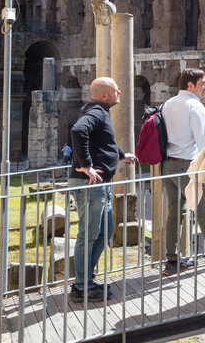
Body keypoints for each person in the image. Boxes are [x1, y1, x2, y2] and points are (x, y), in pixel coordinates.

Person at [69, 77, 136, 302]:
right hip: (89, 184)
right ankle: (82, 286)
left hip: (100, 183)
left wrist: (121, 155)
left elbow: (104, 141)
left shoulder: (99, 111)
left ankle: (85, 277)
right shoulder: (96, 112)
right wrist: (86, 165)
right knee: (87, 235)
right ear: (104, 95)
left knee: (106, 230)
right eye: (115, 89)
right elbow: (78, 132)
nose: (120, 91)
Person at [160, 68, 205, 275]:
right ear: (190, 85)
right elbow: (204, 142)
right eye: (203, 83)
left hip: (168, 165)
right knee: (204, 211)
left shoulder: (167, 104)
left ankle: (172, 261)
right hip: (189, 166)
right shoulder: (194, 106)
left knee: (174, 213)